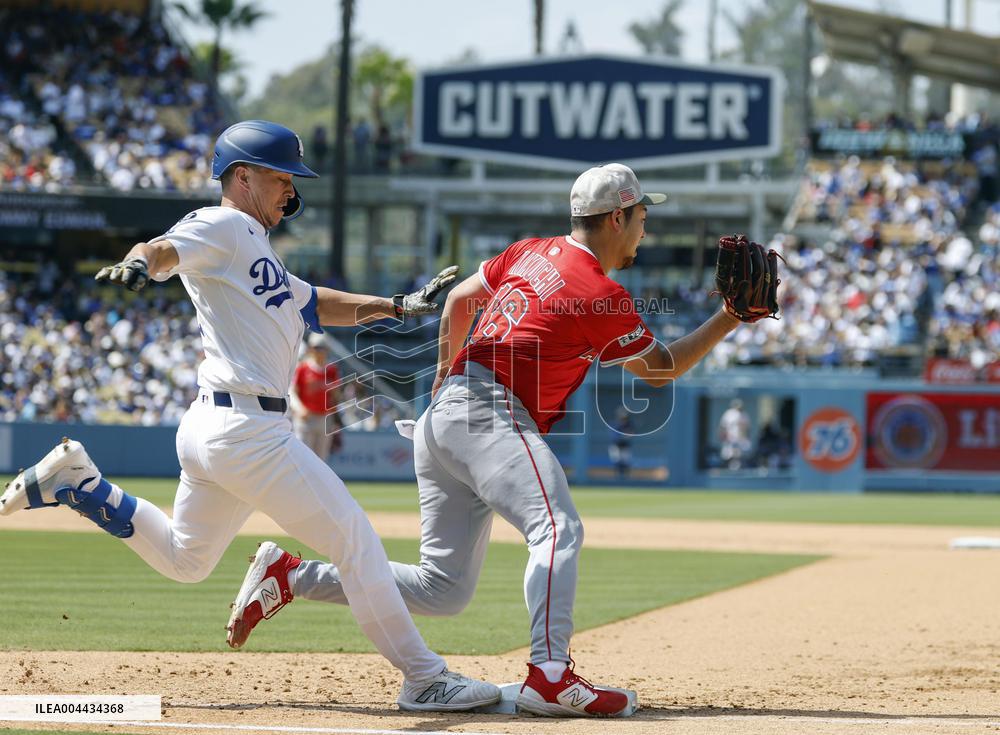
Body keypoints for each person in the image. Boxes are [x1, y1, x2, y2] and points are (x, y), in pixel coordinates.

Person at [226, 163, 774, 717]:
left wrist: (444, 376)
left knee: (442, 588)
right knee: (558, 528)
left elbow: (460, 301)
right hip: (489, 413)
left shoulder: (529, 251)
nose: (644, 230)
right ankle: (551, 675)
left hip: (446, 415)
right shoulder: (600, 294)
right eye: (641, 217)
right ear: (616, 217)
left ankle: (292, 576)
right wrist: (729, 317)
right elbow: (660, 369)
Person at [0, 119, 500, 713]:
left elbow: (315, 302)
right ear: (243, 176)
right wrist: (140, 262)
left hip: (216, 427)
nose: (291, 189)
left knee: (187, 558)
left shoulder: (254, 249)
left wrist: (398, 305)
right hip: (246, 431)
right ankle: (424, 678)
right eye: (282, 176)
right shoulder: (227, 225)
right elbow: (166, 246)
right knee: (357, 544)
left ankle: (81, 484)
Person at [291, 332, 342, 460]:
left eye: (322, 347)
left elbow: (336, 395)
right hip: (306, 418)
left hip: (324, 418)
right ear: (311, 348)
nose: (319, 351)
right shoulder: (302, 368)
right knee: (303, 458)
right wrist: (299, 408)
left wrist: (335, 418)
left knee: (321, 459)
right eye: (317, 347)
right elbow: (292, 391)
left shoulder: (331, 369)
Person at [718, 398, 751, 470]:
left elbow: (746, 429)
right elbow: (723, 427)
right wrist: (724, 437)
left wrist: (744, 438)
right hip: (730, 438)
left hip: (741, 439)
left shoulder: (744, 414)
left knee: (741, 457)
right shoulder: (728, 413)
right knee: (728, 456)